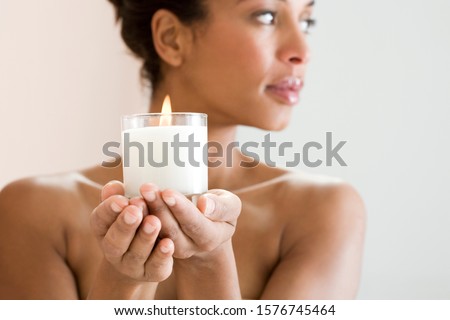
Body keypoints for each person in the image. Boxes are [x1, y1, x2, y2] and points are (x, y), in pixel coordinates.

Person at [0, 0, 366, 299]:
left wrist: (211, 261)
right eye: (266, 16)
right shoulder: (36, 211)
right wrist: (121, 280)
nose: (302, 51)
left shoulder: (320, 210)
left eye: (307, 21)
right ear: (172, 38)